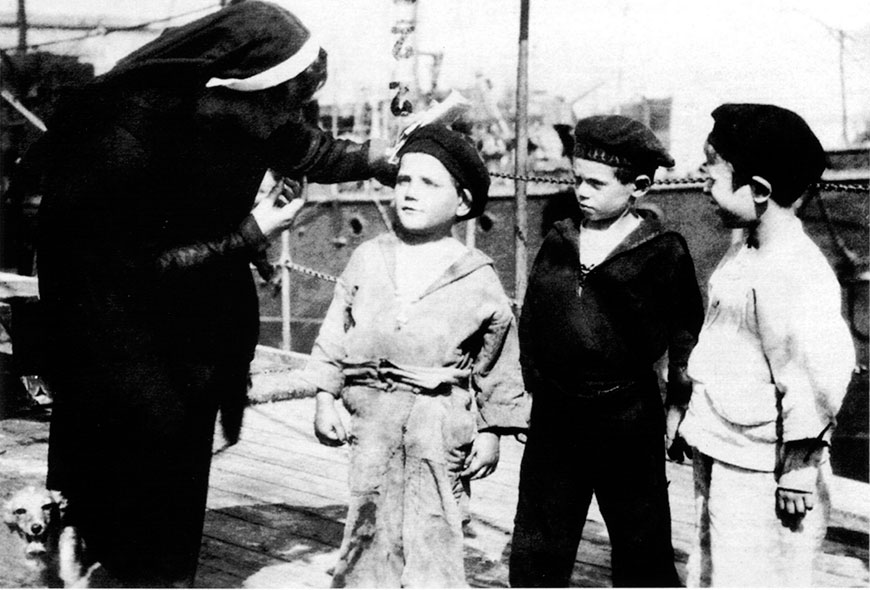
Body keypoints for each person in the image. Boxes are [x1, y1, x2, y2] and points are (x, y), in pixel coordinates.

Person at [33, 2, 395, 586]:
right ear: (240, 85)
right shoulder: (123, 131)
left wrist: (379, 160)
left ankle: (165, 575)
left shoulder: (238, 105)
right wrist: (252, 233)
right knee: (129, 472)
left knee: (176, 474)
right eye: (279, 104)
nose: (284, 121)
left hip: (191, 328)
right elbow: (125, 273)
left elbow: (305, 145)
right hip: (117, 334)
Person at [302, 124, 530, 587]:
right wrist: (326, 397)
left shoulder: (477, 275)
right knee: (368, 512)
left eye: (429, 183)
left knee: (434, 521)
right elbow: (335, 330)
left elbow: (497, 361)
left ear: (463, 203)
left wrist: (492, 432)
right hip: (372, 417)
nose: (409, 192)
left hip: (437, 421)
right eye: (404, 180)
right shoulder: (369, 257)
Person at [510, 115, 704, 587]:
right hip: (557, 414)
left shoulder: (662, 251)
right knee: (540, 541)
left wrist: (678, 407)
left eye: (596, 183)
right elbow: (534, 319)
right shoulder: (560, 240)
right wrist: (529, 393)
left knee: (642, 544)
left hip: (627, 415)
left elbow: (686, 337)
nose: (582, 191)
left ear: (637, 187)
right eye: (577, 179)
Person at [675, 104, 856, 587]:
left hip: (767, 468)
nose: (700, 178)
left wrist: (799, 467)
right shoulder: (745, 251)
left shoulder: (794, 272)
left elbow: (819, 377)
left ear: (758, 191)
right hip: (726, 448)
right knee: (715, 567)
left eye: (711, 168)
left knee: (760, 575)